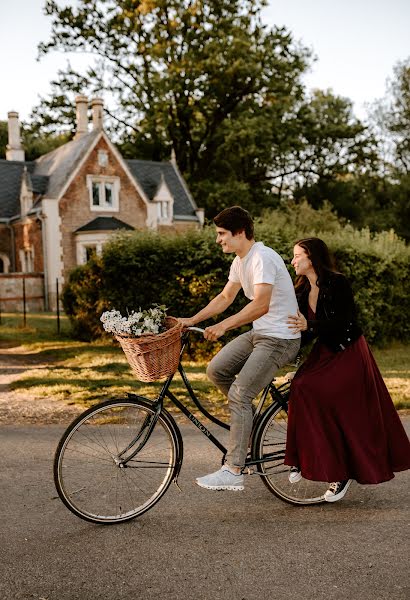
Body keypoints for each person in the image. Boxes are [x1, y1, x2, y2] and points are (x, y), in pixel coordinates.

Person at [178, 206, 301, 491]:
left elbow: (261, 304)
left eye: (222, 234)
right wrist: (192, 320)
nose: (218, 240)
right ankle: (248, 420)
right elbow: (225, 296)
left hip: (280, 339)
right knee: (216, 370)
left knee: (240, 393)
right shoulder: (240, 261)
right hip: (261, 334)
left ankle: (234, 470)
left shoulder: (263, 257)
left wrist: (224, 326)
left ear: (241, 232)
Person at [285, 237, 410, 502]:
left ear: (312, 257)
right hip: (324, 351)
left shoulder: (337, 282)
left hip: (348, 349)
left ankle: (340, 475)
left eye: (297, 256)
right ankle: (301, 457)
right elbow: (302, 332)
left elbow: (345, 321)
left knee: (320, 393)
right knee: (298, 387)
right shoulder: (300, 290)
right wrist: (284, 357)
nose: (293, 261)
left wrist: (310, 327)